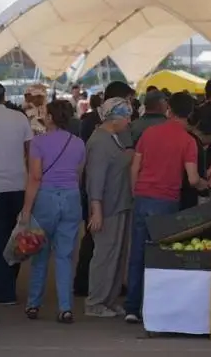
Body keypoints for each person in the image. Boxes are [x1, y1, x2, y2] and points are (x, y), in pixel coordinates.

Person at [125, 92, 210, 324]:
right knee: (161, 256)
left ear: (169, 110)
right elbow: (193, 179)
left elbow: (135, 166)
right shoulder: (188, 141)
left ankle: (132, 307)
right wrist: (207, 185)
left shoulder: (149, 133)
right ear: (190, 113)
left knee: (137, 254)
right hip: (166, 201)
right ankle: (153, 308)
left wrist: (136, 192)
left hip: (143, 196)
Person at [21, 100, 86, 324]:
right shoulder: (78, 143)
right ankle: (65, 308)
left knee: (40, 254)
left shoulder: (38, 143)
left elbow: (35, 177)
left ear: (49, 118)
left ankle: (33, 304)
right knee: (65, 256)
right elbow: (78, 174)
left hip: (46, 199)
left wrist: (26, 210)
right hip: (71, 198)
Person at [74, 81, 133, 297]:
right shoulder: (100, 142)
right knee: (105, 255)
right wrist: (96, 210)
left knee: (116, 255)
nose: (129, 122)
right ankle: (97, 302)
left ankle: (108, 299)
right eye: (126, 117)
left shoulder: (112, 138)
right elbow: (95, 179)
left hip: (118, 203)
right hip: (107, 207)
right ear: (114, 118)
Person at [0, 81, 33, 306]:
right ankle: (9, 280)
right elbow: (29, 152)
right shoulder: (20, 118)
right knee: (16, 238)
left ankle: (4, 291)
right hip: (19, 185)